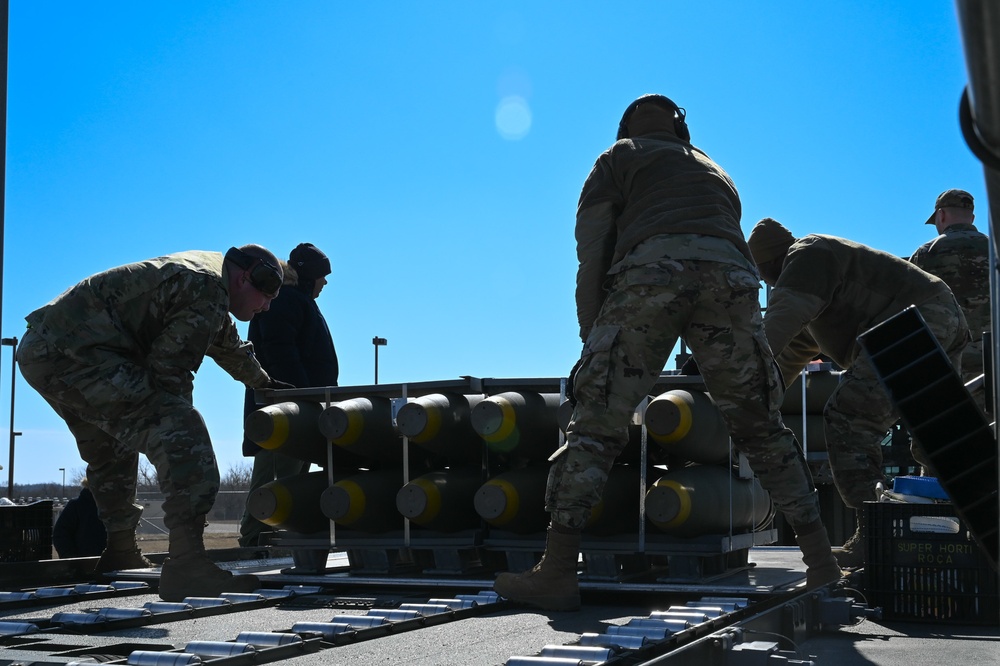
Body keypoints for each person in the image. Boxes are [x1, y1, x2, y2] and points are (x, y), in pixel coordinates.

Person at [493, 94, 841, 611]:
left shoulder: (618, 157)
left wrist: (595, 340)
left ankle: (558, 569)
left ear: (625, 126)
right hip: (732, 282)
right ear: (681, 127)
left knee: (595, 424)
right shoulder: (715, 169)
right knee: (761, 425)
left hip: (651, 274)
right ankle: (821, 563)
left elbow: (593, 251)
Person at [16, 245, 292, 600]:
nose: (266, 307)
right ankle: (188, 564)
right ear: (244, 279)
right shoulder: (206, 286)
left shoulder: (211, 282)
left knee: (111, 448)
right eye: (267, 296)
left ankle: (119, 550)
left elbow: (227, 345)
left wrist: (265, 386)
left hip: (44, 352)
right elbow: (171, 372)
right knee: (181, 429)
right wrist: (178, 442)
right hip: (79, 355)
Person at [747, 218, 970, 566]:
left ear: (771, 262)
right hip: (939, 314)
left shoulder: (806, 255)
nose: (765, 282)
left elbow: (779, 323)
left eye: (763, 273)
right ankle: (942, 531)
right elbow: (787, 358)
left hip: (913, 319)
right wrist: (757, 396)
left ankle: (875, 533)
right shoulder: (819, 289)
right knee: (934, 430)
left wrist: (736, 371)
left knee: (849, 417)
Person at [240, 242, 339, 547]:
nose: (325, 282)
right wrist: (300, 395)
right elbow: (280, 354)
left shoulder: (296, 300)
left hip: (301, 409)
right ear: (308, 276)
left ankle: (277, 535)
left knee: (291, 480)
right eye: (321, 276)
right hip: (285, 412)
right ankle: (257, 538)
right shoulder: (284, 301)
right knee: (275, 476)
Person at [909, 189, 989, 411]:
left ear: (941, 216)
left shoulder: (926, 253)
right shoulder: (996, 249)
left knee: (943, 436)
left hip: (948, 366)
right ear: (972, 218)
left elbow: (910, 310)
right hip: (994, 364)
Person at [53, 478, 108, 558]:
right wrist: (73, 560)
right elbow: (60, 535)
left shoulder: (114, 507)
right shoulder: (76, 506)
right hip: (82, 565)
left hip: (111, 564)